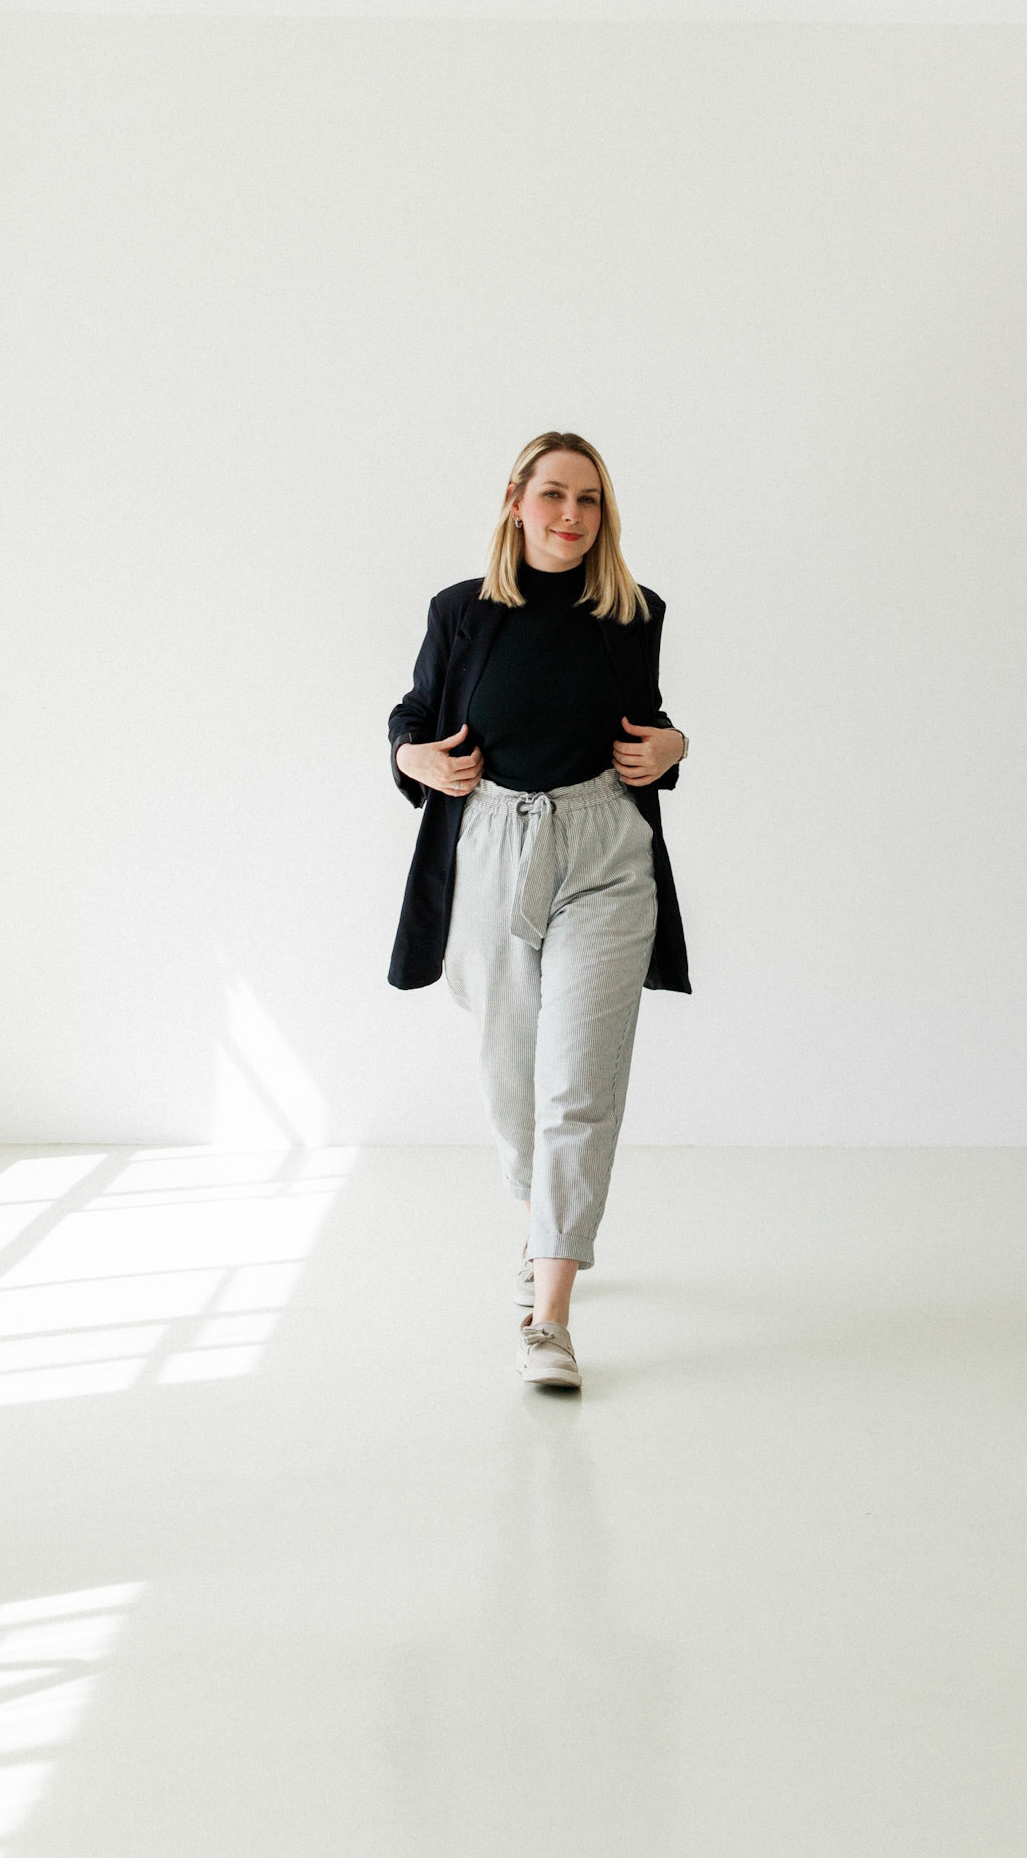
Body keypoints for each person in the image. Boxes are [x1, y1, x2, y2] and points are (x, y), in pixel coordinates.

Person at [387, 431, 690, 1389]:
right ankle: (540, 1223)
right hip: (488, 845)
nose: (571, 515)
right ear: (516, 499)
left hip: (604, 852)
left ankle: (548, 1315)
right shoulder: (460, 612)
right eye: (554, 494)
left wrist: (675, 746)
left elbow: (648, 724)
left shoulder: (633, 612)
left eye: (588, 500)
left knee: (578, 1084)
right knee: (510, 1081)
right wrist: (414, 758)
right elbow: (413, 715)